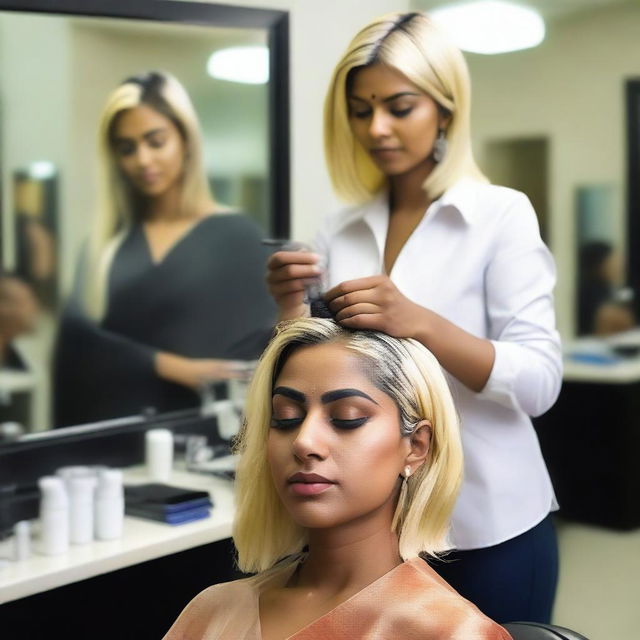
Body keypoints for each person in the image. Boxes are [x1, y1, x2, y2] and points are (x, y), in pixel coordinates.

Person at [266, 12, 561, 624]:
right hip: (379, 534)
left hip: (489, 526)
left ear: (445, 109)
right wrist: (290, 308)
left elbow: (539, 383)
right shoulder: (340, 227)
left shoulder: (501, 216)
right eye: (360, 109)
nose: (377, 128)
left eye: (400, 107)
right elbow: (321, 372)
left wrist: (420, 321)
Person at [164, 317, 512, 639]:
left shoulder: (452, 632)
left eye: (346, 418)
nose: (304, 442)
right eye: (285, 418)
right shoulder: (213, 611)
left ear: (416, 447)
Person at [52, 71, 276, 427]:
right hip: (115, 441)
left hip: (207, 441)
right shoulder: (104, 248)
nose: (142, 160)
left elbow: (262, 355)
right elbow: (78, 350)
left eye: (156, 142)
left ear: (185, 140)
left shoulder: (239, 237)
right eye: (127, 148)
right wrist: (173, 367)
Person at [577, 240, 634, 336]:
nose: (619, 267)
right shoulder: (590, 291)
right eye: (613, 262)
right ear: (599, 264)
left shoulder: (610, 289)